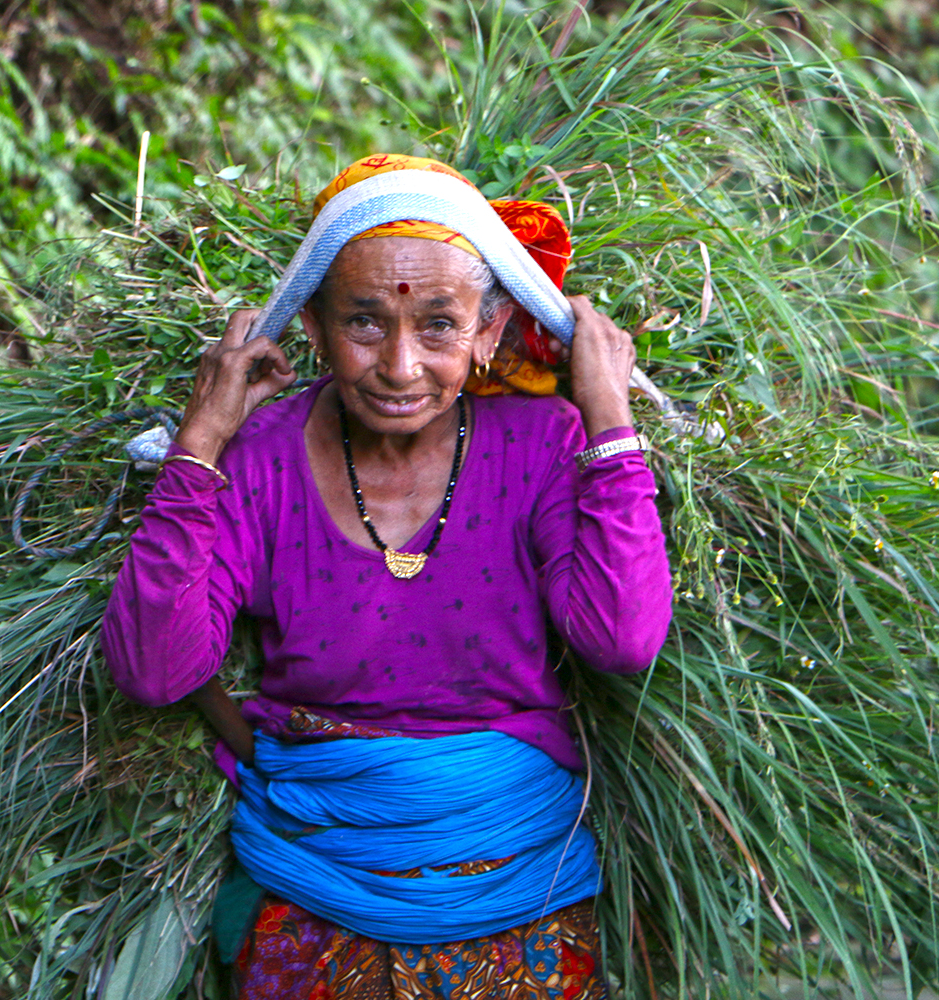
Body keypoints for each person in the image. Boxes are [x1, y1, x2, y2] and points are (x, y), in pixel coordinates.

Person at [101, 154, 672, 999]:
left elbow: (622, 640)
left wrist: (609, 419)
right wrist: (200, 444)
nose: (401, 366)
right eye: (364, 324)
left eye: (440, 325)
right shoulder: (259, 462)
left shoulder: (544, 444)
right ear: (316, 329)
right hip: (320, 875)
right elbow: (154, 671)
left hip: (517, 885)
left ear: (488, 331)